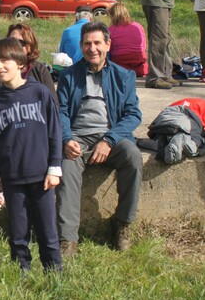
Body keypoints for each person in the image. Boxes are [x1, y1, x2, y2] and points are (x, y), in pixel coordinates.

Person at [56, 22, 143, 256]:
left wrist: (109, 140)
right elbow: (61, 112)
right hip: (78, 138)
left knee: (133, 158)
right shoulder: (68, 76)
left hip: (111, 136)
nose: (92, 48)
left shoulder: (124, 76)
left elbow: (133, 114)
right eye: (87, 43)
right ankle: (68, 238)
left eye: (97, 43)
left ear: (108, 44)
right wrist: (66, 139)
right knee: (65, 166)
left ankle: (122, 224)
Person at [0, 38, 62, 272]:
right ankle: (22, 275)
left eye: (5, 60)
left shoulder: (40, 93)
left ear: (20, 62)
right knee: (18, 234)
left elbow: (54, 132)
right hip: (12, 178)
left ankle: (54, 275)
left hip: (42, 178)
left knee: (48, 232)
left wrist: (54, 168)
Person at [0, 23, 57, 112]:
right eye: (11, 41)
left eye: (21, 43)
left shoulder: (40, 71)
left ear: (29, 47)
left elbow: (53, 105)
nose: (15, 45)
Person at [108, 3, 148, 77]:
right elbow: (144, 46)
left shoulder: (111, 30)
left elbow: (108, 49)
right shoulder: (138, 26)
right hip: (140, 66)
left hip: (119, 67)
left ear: (113, 16)